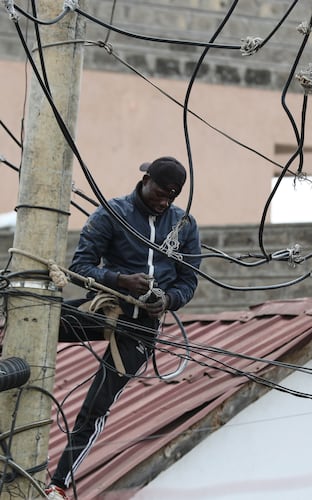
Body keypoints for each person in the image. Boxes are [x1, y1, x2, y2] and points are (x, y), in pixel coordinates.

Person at [45, 157, 201, 500]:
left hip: (141, 327)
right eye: (159, 193)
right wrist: (119, 280)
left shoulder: (184, 226)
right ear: (145, 180)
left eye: (170, 198)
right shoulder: (111, 214)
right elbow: (79, 267)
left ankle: (58, 484)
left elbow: (189, 282)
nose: (163, 202)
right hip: (105, 308)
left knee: (96, 406)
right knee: (38, 324)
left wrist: (169, 300)